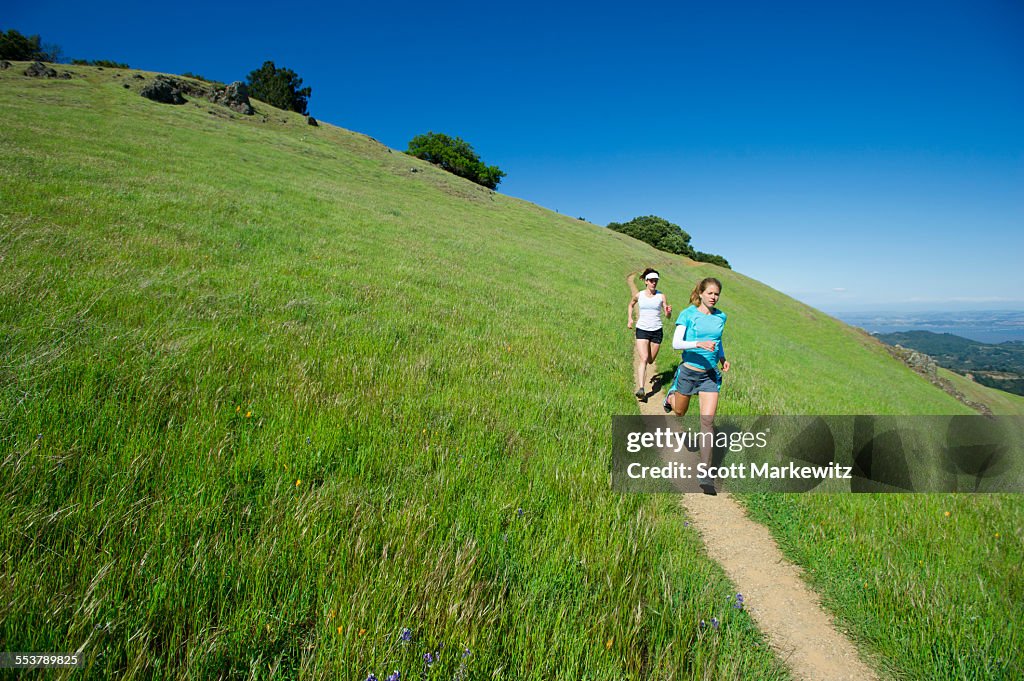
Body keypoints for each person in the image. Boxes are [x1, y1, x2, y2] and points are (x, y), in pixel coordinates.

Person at [664, 277, 731, 494]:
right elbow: (676, 344)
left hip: (710, 376)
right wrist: (697, 344)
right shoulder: (688, 314)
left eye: (717, 294)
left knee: (707, 422)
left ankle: (705, 472)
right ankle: (670, 396)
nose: (714, 297)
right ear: (701, 293)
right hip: (689, 372)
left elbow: (718, 341)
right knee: (680, 412)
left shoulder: (721, 317)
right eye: (710, 293)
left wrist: (722, 358)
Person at [627, 268, 672, 399]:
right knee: (644, 359)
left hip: (657, 331)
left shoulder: (661, 296)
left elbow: (667, 316)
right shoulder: (639, 295)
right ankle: (641, 388)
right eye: (651, 281)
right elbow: (631, 305)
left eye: (656, 281)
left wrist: (668, 312)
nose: (654, 283)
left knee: (651, 360)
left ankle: (648, 367)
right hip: (642, 329)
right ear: (646, 281)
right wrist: (630, 319)